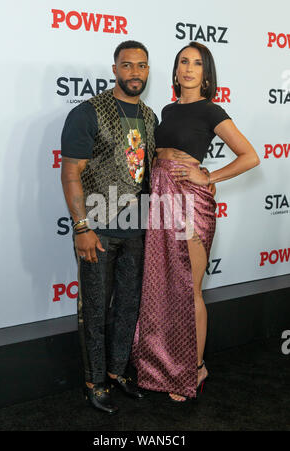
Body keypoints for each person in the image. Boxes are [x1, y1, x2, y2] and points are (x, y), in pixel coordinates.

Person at [132, 42, 260, 402]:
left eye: (197, 63)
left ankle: (195, 368)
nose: (189, 68)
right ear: (175, 71)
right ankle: (161, 366)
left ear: (207, 74)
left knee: (190, 291)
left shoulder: (211, 110)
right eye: (183, 62)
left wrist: (209, 176)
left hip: (190, 204)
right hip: (159, 202)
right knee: (162, 288)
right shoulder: (167, 110)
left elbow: (250, 156)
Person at [60, 40, 158, 414]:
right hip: (97, 229)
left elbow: (152, 171)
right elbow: (71, 172)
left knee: (128, 307)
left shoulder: (150, 117)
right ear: (115, 69)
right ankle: (94, 381)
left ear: (148, 70)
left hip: (138, 229)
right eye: (128, 65)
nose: (135, 72)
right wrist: (81, 226)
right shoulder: (88, 113)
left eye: (142, 66)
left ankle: (118, 372)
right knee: (96, 310)